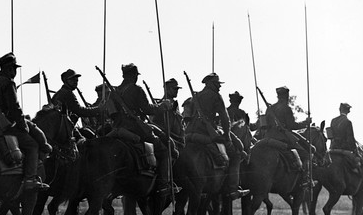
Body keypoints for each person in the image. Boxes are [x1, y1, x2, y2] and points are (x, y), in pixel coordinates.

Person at [0, 53, 49, 192]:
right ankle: (30, 179)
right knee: (32, 145)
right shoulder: (8, 82)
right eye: (14, 69)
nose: (15, 72)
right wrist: (23, 126)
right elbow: (15, 108)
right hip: (2, 125)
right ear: (10, 69)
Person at [108, 63, 176, 193]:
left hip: (117, 129)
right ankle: (163, 184)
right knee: (164, 150)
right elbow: (147, 109)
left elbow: (112, 114)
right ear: (134, 76)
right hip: (135, 128)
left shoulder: (113, 93)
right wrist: (162, 106)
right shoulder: (136, 89)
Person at [185, 73, 248, 199]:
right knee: (235, 154)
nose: (219, 87)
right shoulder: (215, 96)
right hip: (206, 133)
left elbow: (186, 117)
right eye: (217, 84)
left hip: (189, 134)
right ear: (209, 83)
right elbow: (225, 118)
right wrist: (227, 137)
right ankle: (232, 188)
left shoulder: (195, 97)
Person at [263, 86, 313, 187]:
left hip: (268, 138)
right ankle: (305, 178)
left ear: (278, 96)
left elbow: (264, 125)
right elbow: (292, 126)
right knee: (305, 153)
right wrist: (305, 123)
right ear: (286, 96)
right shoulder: (287, 109)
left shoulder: (270, 108)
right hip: (282, 138)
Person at [51, 69, 102, 137]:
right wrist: (98, 109)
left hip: (59, 129)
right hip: (65, 130)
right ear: (66, 81)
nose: (75, 82)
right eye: (72, 80)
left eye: (76, 80)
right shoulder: (67, 93)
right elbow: (79, 111)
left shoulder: (58, 93)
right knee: (91, 137)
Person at [329, 102, 361, 173]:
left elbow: (330, 136)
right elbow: (350, 139)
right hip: (344, 149)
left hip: (333, 148)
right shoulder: (348, 122)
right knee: (358, 161)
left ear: (339, 109)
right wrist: (356, 151)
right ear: (348, 111)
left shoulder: (333, 121)